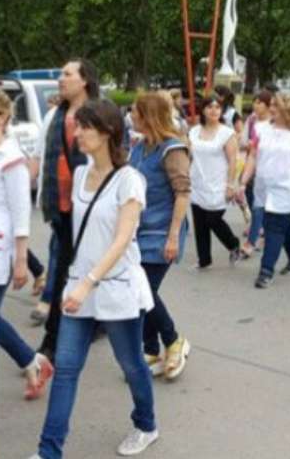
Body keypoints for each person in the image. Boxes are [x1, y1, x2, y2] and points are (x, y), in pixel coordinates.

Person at [31, 100, 157, 459]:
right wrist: (68, 280)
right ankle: (48, 451)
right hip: (79, 285)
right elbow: (75, 235)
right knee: (67, 369)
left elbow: (122, 239)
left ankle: (146, 424)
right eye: (78, 125)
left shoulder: (130, 180)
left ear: (107, 132)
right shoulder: (82, 173)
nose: (78, 133)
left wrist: (88, 281)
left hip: (115, 288)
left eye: (86, 127)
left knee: (131, 363)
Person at [0, 88, 54, 400]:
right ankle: (31, 362)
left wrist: (21, 260)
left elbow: (20, 213)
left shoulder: (11, 159)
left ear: (2, 117)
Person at [32, 59, 99, 363]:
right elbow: (42, 157)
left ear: (84, 81)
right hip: (61, 207)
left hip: (88, 209)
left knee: (81, 271)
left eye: (67, 74)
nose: (61, 79)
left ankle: (54, 340)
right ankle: (54, 339)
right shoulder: (55, 116)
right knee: (63, 271)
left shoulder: (97, 115)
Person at [129, 92, 191, 380]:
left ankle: (173, 340)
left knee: (145, 292)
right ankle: (151, 349)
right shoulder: (138, 147)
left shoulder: (173, 149)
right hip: (137, 233)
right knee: (140, 292)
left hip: (162, 232)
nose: (130, 116)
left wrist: (173, 237)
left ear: (148, 115)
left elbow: (182, 194)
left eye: (135, 112)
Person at [238, 93, 290, 289]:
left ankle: (266, 271)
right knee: (282, 224)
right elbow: (253, 157)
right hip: (264, 187)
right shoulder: (261, 129)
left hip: (288, 188)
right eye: (271, 105)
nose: (271, 108)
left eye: (275, 105)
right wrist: (243, 182)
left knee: (274, 227)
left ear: (287, 108)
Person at [189, 95, 242, 269]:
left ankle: (233, 244)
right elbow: (189, 155)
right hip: (197, 181)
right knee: (200, 221)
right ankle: (204, 259)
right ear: (203, 110)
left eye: (217, 107)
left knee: (213, 219)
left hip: (218, 184)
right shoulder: (194, 131)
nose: (214, 110)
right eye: (210, 107)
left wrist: (230, 184)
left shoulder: (227, 133)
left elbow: (233, 160)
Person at [239, 90, 273, 257]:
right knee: (254, 202)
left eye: (259, 102)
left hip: (269, 170)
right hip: (252, 166)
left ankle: (252, 241)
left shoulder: (274, 123)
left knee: (261, 207)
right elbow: (243, 142)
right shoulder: (252, 120)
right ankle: (262, 230)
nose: (256, 105)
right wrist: (250, 144)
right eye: (255, 102)